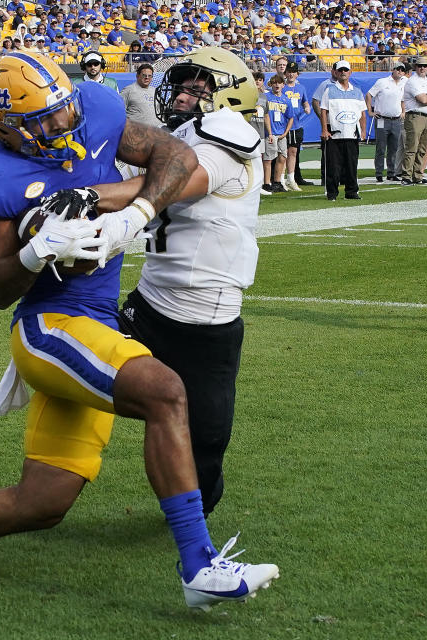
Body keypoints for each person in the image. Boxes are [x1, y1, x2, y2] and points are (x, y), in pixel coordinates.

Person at [0, 51, 280, 612]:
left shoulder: (94, 111)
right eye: (45, 119)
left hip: (96, 323)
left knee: (41, 503)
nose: (64, 124)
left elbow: (173, 153)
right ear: (8, 127)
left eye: (64, 109)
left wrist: (134, 213)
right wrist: (34, 249)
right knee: (166, 392)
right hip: (49, 327)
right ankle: (199, 566)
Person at [102, 46, 264, 516]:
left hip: (204, 320)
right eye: (184, 86)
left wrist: (92, 198)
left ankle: (191, 520)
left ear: (227, 100)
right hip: (148, 304)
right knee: (75, 362)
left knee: (205, 446)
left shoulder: (227, 143)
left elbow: (172, 184)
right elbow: (121, 170)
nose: (182, 96)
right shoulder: (178, 137)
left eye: (198, 89)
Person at [319, 59, 366, 201]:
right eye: (340, 70)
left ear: (350, 72)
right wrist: (324, 130)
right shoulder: (330, 90)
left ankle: (351, 192)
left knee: (352, 165)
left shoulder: (357, 92)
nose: (343, 73)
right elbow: (323, 110)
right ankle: (332, 193)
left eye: (346, 70)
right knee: (333, 166)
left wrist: (363, 131)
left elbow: (362, 114)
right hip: (334, 134)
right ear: (336, 72)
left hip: (352, 133)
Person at [399, 56, 427, 185]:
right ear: (415, 68)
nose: (422, 68)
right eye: (420, 66)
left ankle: (417, 175)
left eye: (425, 66)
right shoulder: (413, 81)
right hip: (415, 115)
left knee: (422, 148)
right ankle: (406, 176)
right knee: (412, 147)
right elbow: (423, 100)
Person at [365, 61, 407, 182]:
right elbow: (369, 95)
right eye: (398, 69)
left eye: (402, 70)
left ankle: (391, 172)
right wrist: (370, 111)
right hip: (382, 118)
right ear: (393, 70)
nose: (400, 71)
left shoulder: (402, 84)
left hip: (396, 119)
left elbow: (403, 100)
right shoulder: (382, 82)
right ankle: (379, 172)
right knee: (381, 148)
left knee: (394, 148)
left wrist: (403, 112)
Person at [280, 61, 312, 190]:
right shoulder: (282, 87)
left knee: (293, 151)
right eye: (289, 72)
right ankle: (280, 179)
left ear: (297, 74)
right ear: (285, 73)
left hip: (297, 124)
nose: (291, 74)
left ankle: (291, 179)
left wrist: (307, 107)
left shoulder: (301, 88)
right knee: (282, 153)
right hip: (283, 125)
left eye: (293, 72)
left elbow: (305, 102)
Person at [263, 73, 292, 193]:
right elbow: (265, 115)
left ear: (283, 85)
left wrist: (286, 132)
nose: (277, 85)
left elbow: (290, 117)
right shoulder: (266, 97)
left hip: (281, 133)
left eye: (279, 82)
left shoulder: (286, 99)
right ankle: (266, 183)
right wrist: (269, 132)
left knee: (282, 157)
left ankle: (277, 182)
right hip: (270, 132)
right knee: (268, 158)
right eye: (274, 82)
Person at [120, 62, 162, 127]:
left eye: (149, 76)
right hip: (137, 133)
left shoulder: (155, 91)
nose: (147, 78)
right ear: (137, 76)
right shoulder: (128, 90)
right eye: (144, 75)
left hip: (156, 133)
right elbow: (119, 112)